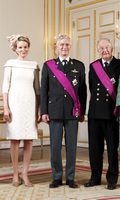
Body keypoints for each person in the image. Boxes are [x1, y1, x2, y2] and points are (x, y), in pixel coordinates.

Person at [40, 34, 87, 189]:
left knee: (72, 146)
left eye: (67, 45)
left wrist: (82, 111)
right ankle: (57, 177)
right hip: (54, 111)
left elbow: (83, 90)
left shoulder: (79, 65)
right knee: (55, 146)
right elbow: (44, 90)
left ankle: (71, 178)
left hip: (73, 111)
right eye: (61, 45)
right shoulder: (48, 65)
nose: (64, 47)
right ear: (56, 47)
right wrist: (44, 111)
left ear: (70, 46)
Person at [2, 34, 40, 187]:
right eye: (20, 47)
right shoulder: (10, 64)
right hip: (15, 104)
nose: (23, 49)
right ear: (15, 49)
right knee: (15, 139)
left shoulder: (34, 65)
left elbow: (38, 90)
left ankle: (25, 173)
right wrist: (6, 107)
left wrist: (39, 109)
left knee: (29, 139)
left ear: (28, 48)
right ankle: (15, 173)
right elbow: (5, 87)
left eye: (25, 47)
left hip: (30, 104)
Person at [84, 38, 120, 190]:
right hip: (94, 113)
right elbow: (92, 88)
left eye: (107, 47)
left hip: (112, 113)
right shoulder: (93, 66)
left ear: (112, 48)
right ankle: (95, 177)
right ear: (98, 50)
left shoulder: (119, 65)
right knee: (94, 148)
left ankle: (112, 179)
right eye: (101, 48)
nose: (105, 50)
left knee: (112, 148)